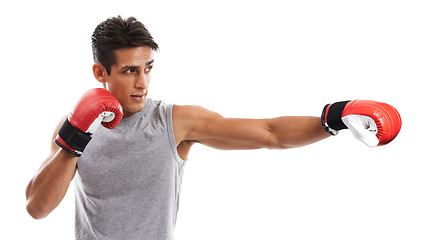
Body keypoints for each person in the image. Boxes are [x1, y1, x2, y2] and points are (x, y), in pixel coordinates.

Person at [25, 16, 401, 240]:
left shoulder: (173, 121)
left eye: (148, 68)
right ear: (100, 73)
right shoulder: (73, 127)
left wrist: (332, 117)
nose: (142, 83)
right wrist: (74, 137)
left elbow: (270, 133)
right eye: (129, 71)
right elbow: (36, 208)